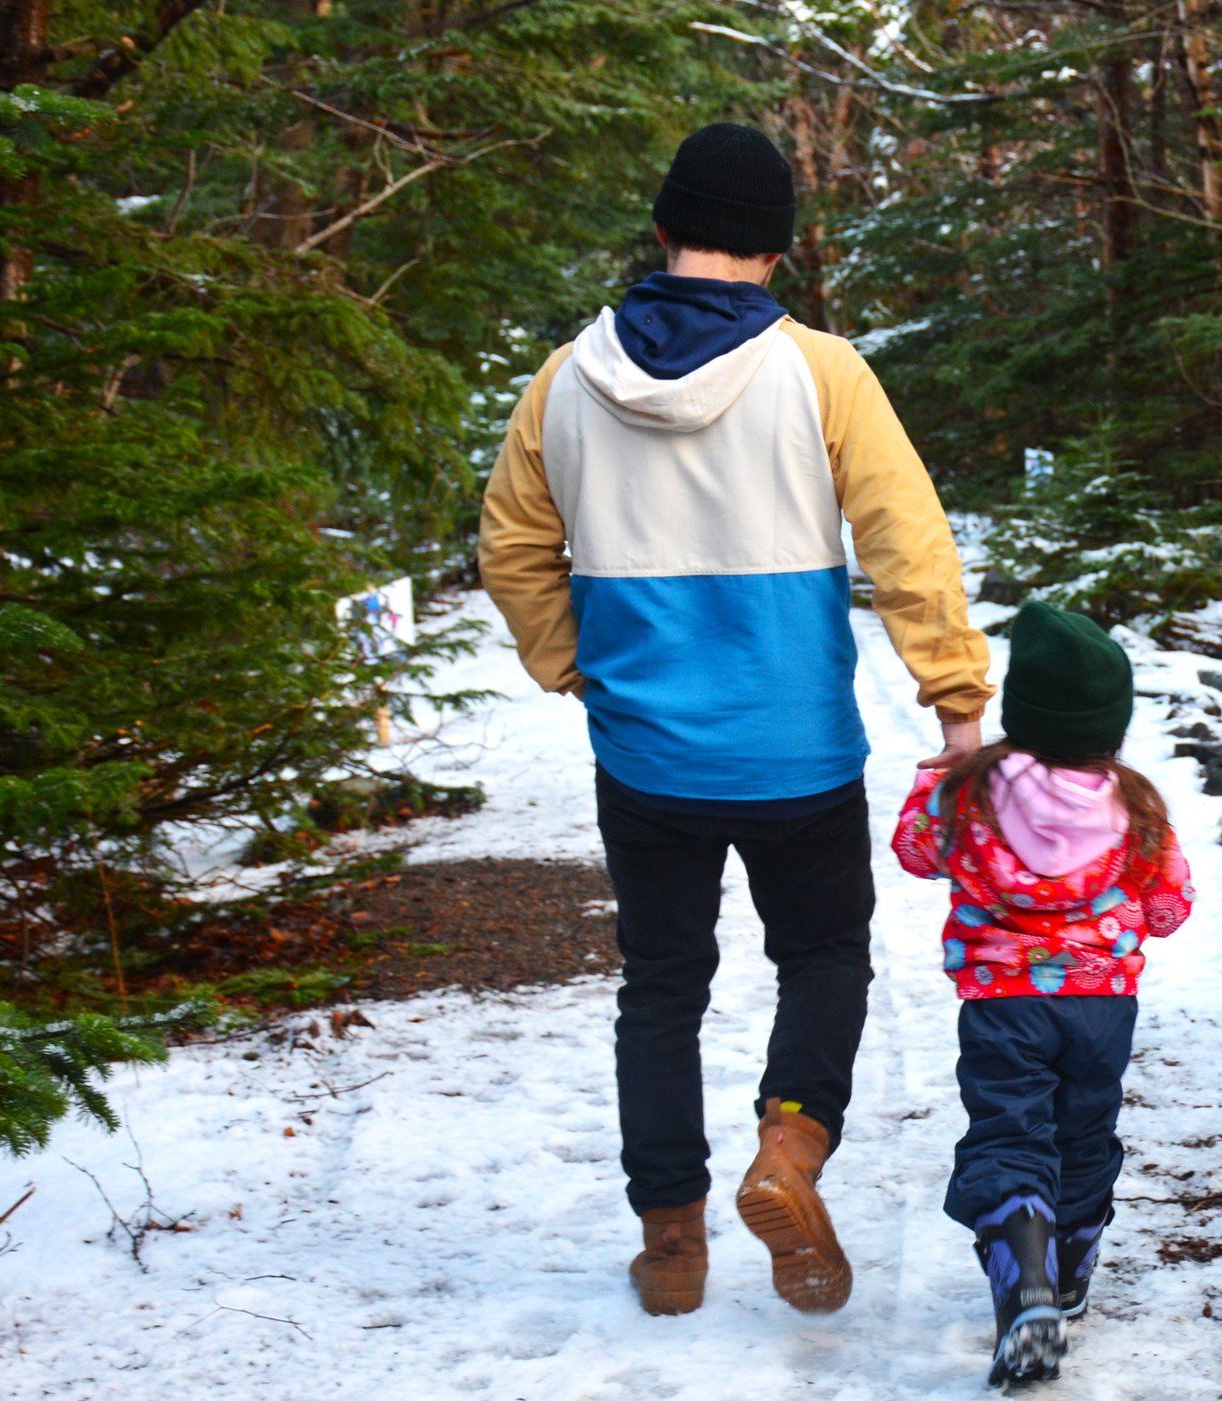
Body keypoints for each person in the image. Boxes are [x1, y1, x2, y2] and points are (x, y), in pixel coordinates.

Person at [477, 122, 993, 1319]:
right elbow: (906, 542)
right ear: (778, 249)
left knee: (660, 985)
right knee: (820, 957)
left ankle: (672, 1243)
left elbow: (509, 549)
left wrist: (579, 667)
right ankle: (790, 1150)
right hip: (795, 753)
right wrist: (956, 698)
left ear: (663, 231)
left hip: (645, 757)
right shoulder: (822, 371)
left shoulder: (564, 378)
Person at [890, 602, 1194, 1386]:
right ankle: (1068, 1272)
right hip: (1102, 1007)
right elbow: (1168, 908)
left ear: (1021, 711)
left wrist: (933, 777)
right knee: (1083, 1133)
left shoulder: (967, 792)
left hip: (1000, 1001)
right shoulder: (1138, 805)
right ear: (1111, 727)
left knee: (1009, 1130)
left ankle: (1023, 1280)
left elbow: (915, 852)